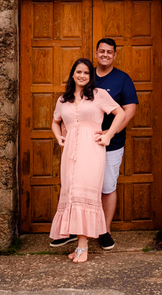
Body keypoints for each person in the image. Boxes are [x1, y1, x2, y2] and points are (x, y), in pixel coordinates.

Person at [48, 57, 124, 263]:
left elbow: (120, 113)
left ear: (90, 77)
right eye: (79, 72)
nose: (82, 75)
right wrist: (58, 136)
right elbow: (55, 121)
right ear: (73, 74)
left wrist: (108, 135)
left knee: (84, 192)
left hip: (91, 150)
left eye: (86, 73)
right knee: (71, 192)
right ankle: (79, 245)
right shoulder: (63, 100)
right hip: (70, 153)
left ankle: (83, 247)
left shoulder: (99, 95)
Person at [89, 37, 137, 250]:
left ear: (115, 55)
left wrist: (110, 132)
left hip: (112, 143)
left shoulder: (122, 79)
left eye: (109, 52)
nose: (105, 54)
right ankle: (82, 228)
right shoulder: (85, 75)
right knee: (85, 186)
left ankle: (105, 231)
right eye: (102, 51)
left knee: (108, 186)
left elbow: (130, 110)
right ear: (96, 53)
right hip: (86, 143)